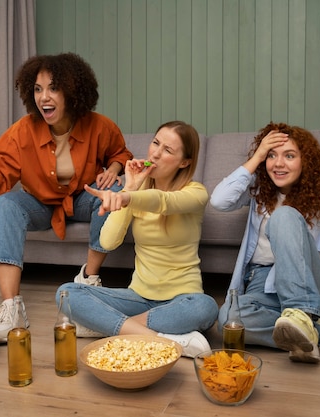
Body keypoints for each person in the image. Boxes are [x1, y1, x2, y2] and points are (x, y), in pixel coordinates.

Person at [0, 53, 133, 344]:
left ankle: (87, 281)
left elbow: (120, 154)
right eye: (38, 89)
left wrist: (114, 170)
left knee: (114, 194)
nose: (44, 97)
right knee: (6, 203)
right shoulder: (22, 130)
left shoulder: (99, 125)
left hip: (82, 199)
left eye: (53, 88)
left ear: (72, 91)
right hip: (41, 204)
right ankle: (11, 307)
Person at [209, 121, 320, 364]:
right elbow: (220, 200)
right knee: (228, 322)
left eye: (290, 155)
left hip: (311, 281)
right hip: (261, 282)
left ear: (306, 160)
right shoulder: (259, 187)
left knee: (284, 216)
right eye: (271, 155)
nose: (279, 163)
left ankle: (301, 312)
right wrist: (258, 155)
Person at [56, 121, 219, 358]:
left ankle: (116, 327)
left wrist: (128, 197)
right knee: (66, 293)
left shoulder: (196, 193)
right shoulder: (135, 193)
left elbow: (164, 202)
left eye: (167, 150)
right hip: (139, 298)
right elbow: (108, 242)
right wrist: (130, 186)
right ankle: (163, 340)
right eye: (155, 143)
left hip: (182, 299)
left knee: (206, 307)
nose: (155, 153)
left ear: (185, 162)